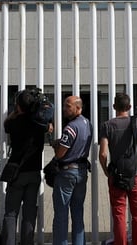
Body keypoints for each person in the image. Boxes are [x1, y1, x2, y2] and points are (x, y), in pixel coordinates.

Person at [98, 93, 137, 245]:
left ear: (114, 107)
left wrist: (106, 172)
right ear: (130, 107)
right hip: (136, 175)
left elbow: (103, 153)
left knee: (119, 213)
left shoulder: (107, 126)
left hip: (117, 176)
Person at [2, 89, 50, 245]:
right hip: (34, 172)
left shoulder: (13, 122)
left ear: (18, 106)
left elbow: (6, 124)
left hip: (17, 173)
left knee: (11, 213)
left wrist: (16, 112)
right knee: (29, 213)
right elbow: (50, 127)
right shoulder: (39, 123)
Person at [52, 95, 93, 245]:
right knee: (78, 213)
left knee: (61, 215)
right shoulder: (88, 124)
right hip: (81, 172)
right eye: (64, 105)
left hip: (67, 173)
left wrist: (56, 144)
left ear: (78, 107)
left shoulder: (70, 127)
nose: (64, 109)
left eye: (68, 106)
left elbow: (60, 153)